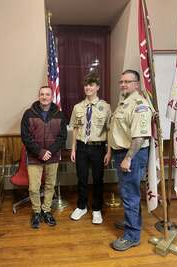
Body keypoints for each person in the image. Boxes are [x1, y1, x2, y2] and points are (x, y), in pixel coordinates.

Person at [108, 69, 152, 251]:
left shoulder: (139, 104)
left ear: (137, 84)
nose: (123, 84)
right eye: (121, 81)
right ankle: (131, 223)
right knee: (129, 193)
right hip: (123, 153)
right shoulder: (125, 102)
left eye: (127, 81)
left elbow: (139, 137)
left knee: (130, 196)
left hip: (131, 155)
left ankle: (132, 236)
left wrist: (128, 159)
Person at [21, 86, 67, 229]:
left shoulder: (59, 114)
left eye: (47, 94)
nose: (45, 97)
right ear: (39, 96)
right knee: (34, 188)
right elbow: (26, 137)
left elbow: (62, 137)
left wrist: (50, 151)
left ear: (52, 96)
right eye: (42, 94)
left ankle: (46, 211)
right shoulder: (29, 114)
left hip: (52, 157)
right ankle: (36, 212)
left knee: (49, 185)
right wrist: (40, 152)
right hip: (35, 157)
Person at [69, 73, 112, 224]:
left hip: (98, 148)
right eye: (86, 85)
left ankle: (96, 209)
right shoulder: (78, 107)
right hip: (81, 146)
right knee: (81, 178)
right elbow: (75, 128)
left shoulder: (105, 107)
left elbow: (109, 130)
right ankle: (81, 207)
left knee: (98, 179)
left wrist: (108, 151)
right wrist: (73, 149)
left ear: (97, 87)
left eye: (91, 85)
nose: (88, 87)